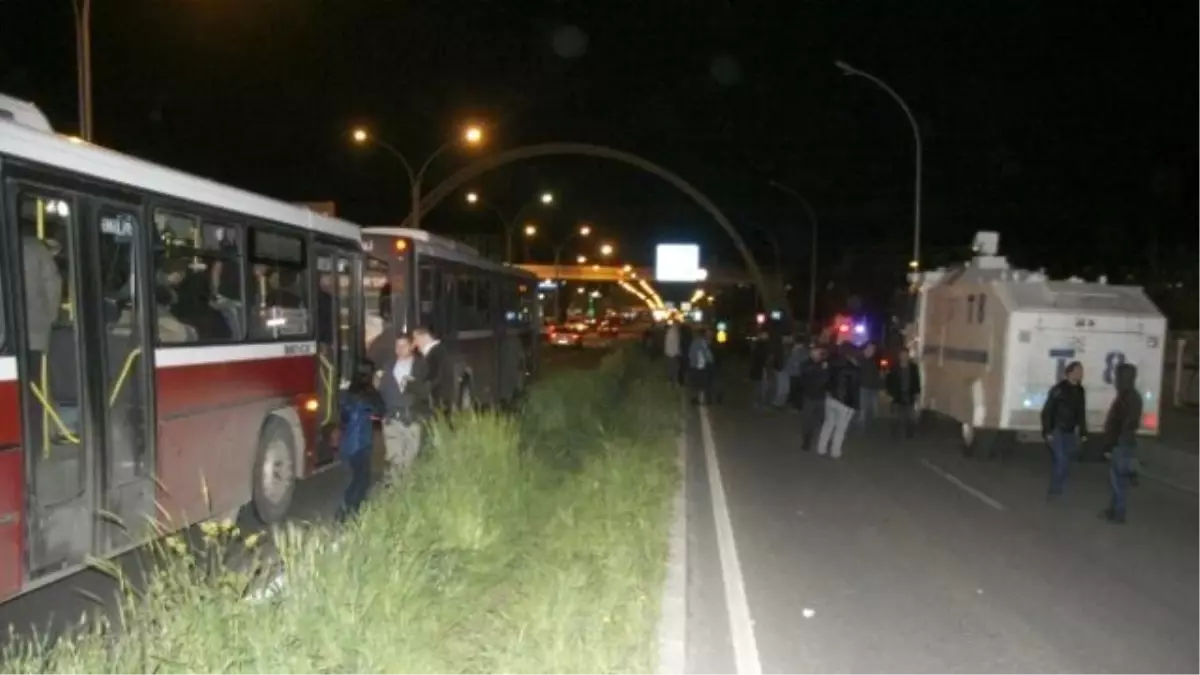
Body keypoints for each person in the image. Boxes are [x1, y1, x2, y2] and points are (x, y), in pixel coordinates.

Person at [336, 361, 382, 522]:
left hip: (347, 443)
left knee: (351, 479)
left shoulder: (346, 393)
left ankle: (343, 512)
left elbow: (343, 416)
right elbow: (381, 412)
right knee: (362, 481)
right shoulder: (370, 395)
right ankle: (352, 515)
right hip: (362, 443)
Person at [376, 334, 426, 480]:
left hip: (412, 420)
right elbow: (380, 392)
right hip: (392, 421)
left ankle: (407, 494)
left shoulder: (421, 367)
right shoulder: (388, 367)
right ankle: (395, 492)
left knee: (409, 461)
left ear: (411, 346)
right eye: (397, 346)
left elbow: (429, 392)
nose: (399, 349)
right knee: (394, 461)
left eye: (403, 345)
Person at [1101, 363, 1142, 524]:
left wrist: (1111, 444)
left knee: (1117, 481)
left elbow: (1121, 424)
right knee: (1119, 481)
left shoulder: (1127, 397)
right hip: (1124, 442)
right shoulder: (1130, 396)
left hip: (1121, 443)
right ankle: (1114, 510)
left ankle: (1118, 512)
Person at [1041, 361, 1088, 499]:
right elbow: (1047, 411)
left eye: (1081, 371)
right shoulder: (1059, 389)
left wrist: (1083, 432)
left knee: (1066, 461)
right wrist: (1047, 431)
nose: (1081, 374)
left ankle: (1059, 485)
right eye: (1078, 371)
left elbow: (1081, 413)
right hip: (1057, 430)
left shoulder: (1080, 391)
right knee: (1061, 459)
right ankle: (1054, 489)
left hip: (1070, 431)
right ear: (1070, 373)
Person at [817, 343, 860, 458]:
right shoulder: (853, 368)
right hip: (845, 401)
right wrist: (855, 405)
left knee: (828, 423)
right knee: (841, 427)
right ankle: (835, 451)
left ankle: (821, 447)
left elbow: (826, 379)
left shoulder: (832, 363)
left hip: (831, 397)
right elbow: (854, 388)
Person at [412, 326, 458, 414]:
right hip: (439, 401)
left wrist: (417, 386)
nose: (414, 344)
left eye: (415, 339)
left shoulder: (437, 354)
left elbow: (436, 377)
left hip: (438, 402)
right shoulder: (439, 351)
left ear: (423, 337)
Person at [797, 344, 829, 451]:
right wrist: (821, 368)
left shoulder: (824, 364)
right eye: (816, 351)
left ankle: (821, 439)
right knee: (807, 420)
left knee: (820, 419)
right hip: (809, 396)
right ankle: (806, 439)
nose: (818, 354)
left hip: (821, 396)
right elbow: (806, 374)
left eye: (820, 352)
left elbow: (827, 379)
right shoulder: (806, 364)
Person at [885, 349, 921, 439]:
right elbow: (889, 381)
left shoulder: (913, 368)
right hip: (896, 395)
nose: (904, 357)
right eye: (902, 355)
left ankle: (909, 435)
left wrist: (917, 393)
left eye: (906, 355)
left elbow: (916, 381)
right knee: (896, 416)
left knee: (909, 416)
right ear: (899, 356)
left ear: (908, 356)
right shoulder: (894, 367)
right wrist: (889, 393)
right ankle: (894, 435)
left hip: (909, 394)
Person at [688, 327, 716, 405]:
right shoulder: (702, 342)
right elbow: (707, 354)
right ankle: (707, 399)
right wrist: (711, 361)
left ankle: (695, 399)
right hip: (701, 366)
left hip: (694, 366)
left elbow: (690, 354)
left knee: (695, 383)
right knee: (704, 383)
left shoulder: (693, 342)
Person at [858, 343, 883, 428]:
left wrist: (879, 383)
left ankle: (869, 426)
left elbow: (877, 375)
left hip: (873, 388)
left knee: (873, 410)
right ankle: (861, 427)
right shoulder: (860, 360)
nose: (872, 351)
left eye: (873, 350)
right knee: (863, 409)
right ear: (865, 350)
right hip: (864, 387)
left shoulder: (874, 361)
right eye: (870, 349)